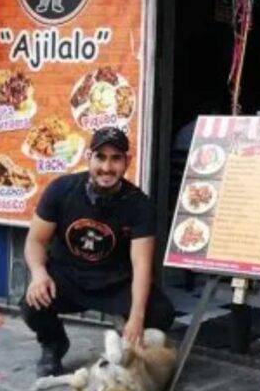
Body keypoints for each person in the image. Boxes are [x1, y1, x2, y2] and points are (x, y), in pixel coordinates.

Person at [21, 126, 175, 377]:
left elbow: (142, 264)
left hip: (115, 283)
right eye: (100, 157)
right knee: (32, 302)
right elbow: (35, 241)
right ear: (88, 158)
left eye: (116, 158)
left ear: (127, 162)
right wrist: (38, 274)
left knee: (160, 313)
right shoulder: (61, 189)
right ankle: (53, 344)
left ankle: (124, 338)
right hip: (68, 278)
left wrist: (137, 317)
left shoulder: (139, 205)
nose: (107, 167)